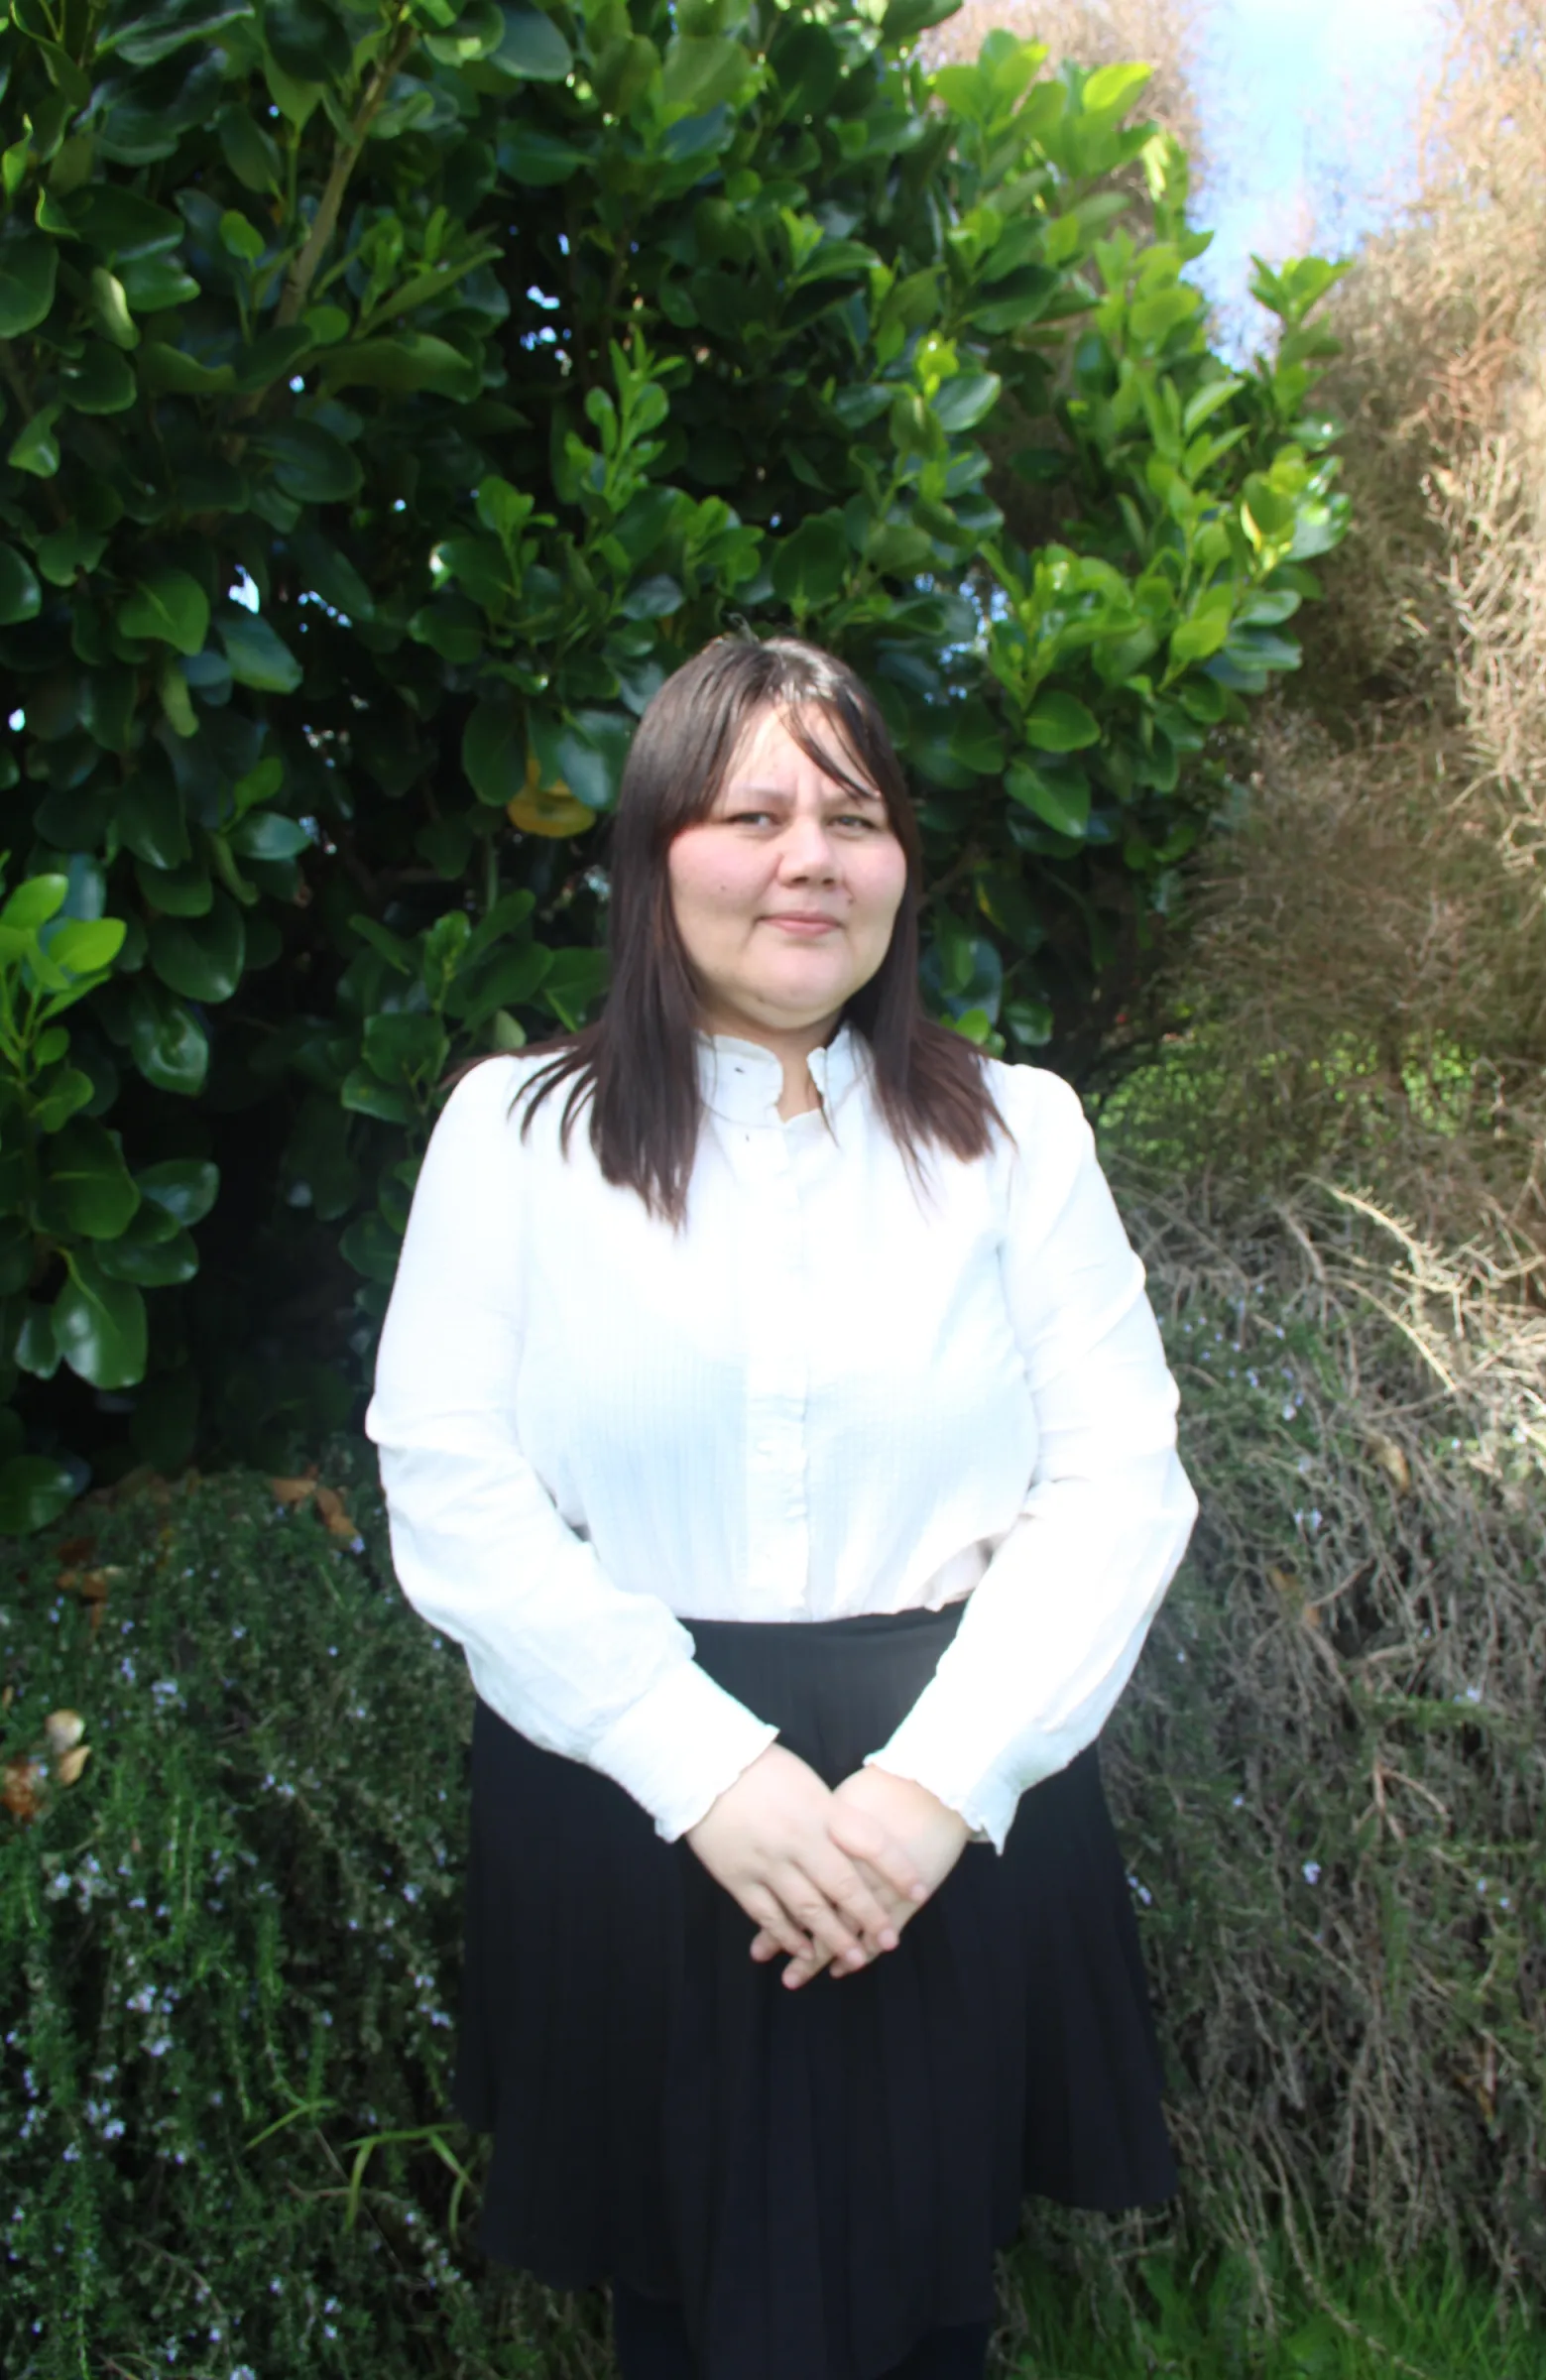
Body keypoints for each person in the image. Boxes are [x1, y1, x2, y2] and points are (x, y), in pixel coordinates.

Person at [366, 635, 1199, 2380]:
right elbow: (451, 1485)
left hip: (944, 1810)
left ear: (902, 864)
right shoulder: (513, 1137)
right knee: (677, 2318)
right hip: (630, 1803)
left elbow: (1118, 1483)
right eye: (753, 815)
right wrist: (705, 1770)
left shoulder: (1020, 1137)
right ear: (655, 853)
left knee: (930, 2315)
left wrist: (931, 1792)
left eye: (854, 817)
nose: (809, 858)